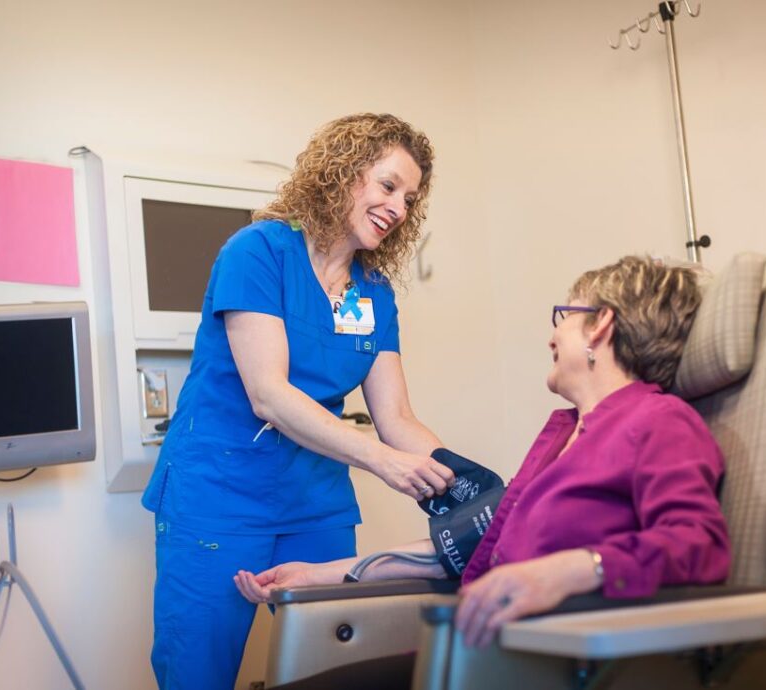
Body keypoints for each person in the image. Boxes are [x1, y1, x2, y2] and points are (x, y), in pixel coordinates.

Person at [235, 255, 732, 650]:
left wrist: (574, 570)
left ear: (600, 326)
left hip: (556, 657)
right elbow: (467, 548)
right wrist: (317, 575)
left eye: (564, 317)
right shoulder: (563, 436)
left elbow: (700, 544)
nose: (551, 336)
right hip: (481, 648)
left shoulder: (660, 422)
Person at [142, 113, 456, 690]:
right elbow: (270, 394)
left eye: (410, 200)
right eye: (388, 186)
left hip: (314, 500)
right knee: (197, 671)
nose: (398, 208)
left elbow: (397, 418)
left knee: (335, 669)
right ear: (342, 173)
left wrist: (464, 482)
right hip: (218, 494)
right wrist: (384, 462)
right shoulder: (259, 251)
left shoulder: (372, 293)